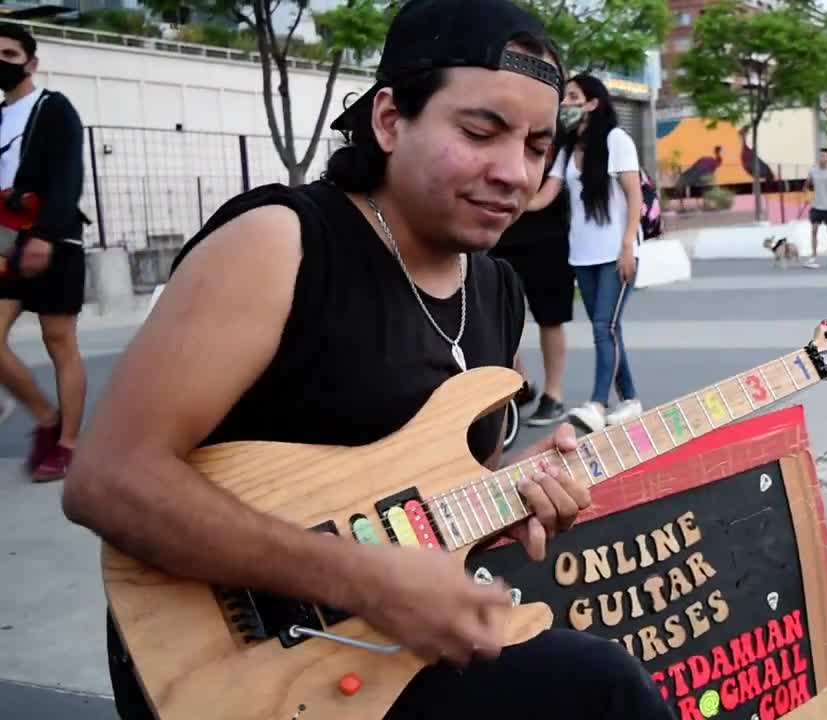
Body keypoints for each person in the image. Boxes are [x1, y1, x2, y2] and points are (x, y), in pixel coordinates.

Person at [60, 1, 675, 719]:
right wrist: (364, 579)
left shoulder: (497, 289)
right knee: (605, 690)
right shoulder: (281, 243)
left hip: (387, 653)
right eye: (481, 130)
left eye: (539, 146)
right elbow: (107, 479)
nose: (514, 171)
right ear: (389, 120)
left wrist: (512, 496)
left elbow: (411, 489)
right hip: (246, 674)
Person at [526, 73, 644, 434]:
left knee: (602, 328)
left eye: (573, 97)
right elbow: (547, 194)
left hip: (615, 254)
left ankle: (597, 403)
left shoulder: (616, 140)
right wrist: (510, 204)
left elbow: (634, 194)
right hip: (583, 256)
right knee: (609, 330)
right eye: (565, 98)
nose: (566, 105)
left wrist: (628, 246)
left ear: (592, 103)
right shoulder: (568, 149)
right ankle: (631, 400)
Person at [0, 23, 88, 482]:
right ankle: (43, 416)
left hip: (52, 238)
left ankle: (69, 443)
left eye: (10, 53)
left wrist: (46, 236)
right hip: (3, 242)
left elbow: (68, 175)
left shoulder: (54, 108)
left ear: (31, 62)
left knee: (60, 341)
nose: (3, 61)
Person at [488, 123, 573, 426]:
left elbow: (544, 196)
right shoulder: (505, 126)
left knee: (550, 317)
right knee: (499, 317)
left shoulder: (562, 140)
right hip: (502, 237)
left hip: (547, 240)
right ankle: (519, 383)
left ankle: (554, 395)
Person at [802, 147, 827, 269]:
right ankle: (813, 256)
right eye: (820, 156)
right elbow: (806, 185)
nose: (822, 158)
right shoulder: (813, 171)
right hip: (816, 206)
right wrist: (807, 196)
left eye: (824, 156)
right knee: (814, 230)